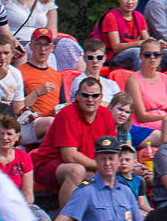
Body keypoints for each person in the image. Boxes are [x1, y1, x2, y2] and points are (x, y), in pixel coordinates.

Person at [33, 77, 119, 206]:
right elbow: (69, 156)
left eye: (95, 96)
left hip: (88, 165)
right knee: (77, 171)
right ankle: (67, 217)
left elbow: (112, 150)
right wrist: (100, 167)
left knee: (125, 171)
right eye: (85, 95)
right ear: (77, 96)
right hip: (50, 165)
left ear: (101, 98)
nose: (90, 100)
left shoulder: (105, 114)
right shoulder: (67, 114)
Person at [0, 0, 83, 71]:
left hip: (40, 40)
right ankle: (45, 79)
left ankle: (75, 78)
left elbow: (52, 33)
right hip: (14, 39)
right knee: (41, 53)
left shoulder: (47, 1)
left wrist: (46, 46)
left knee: (68, 45)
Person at [97, 0, 167, 70]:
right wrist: (138, 43)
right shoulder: (111, 17)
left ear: (138, 0)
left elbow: (147, 41)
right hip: (115, 57)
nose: (129, 2)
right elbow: (116, 47)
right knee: (137, 53)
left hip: (137, 51)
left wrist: (157, 44)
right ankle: (141, 77)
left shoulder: (139, 16)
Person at [0, 114, 53, 221]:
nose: (5, 137)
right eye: (1, 134)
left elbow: (28, 195)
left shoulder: (23, 157)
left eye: (9, 134)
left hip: (18, 205)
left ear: (17, 136)